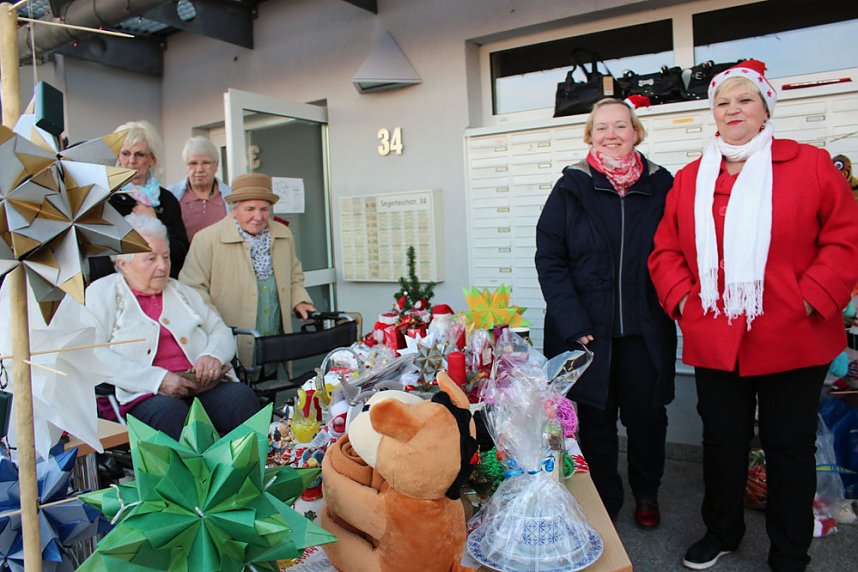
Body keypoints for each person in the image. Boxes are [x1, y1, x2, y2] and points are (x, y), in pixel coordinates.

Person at [648, 60, 858, 571]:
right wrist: (683, 303)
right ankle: (722, 530)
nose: (732, 109)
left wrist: (812, 296)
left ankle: (789, 549)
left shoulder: (808, 164)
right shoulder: (692, 177)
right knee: (722, 442)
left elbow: (844, 237)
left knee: (789, 447)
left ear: (765, 108)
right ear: (713, 114)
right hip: (716, 334)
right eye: (722, 102)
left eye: (744, 99)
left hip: (794, 332)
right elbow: (665, 250)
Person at [535, 97, 677, 528]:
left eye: (620, 126)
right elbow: (550, 259)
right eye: (602, 128)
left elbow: (680, 250)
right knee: (595, 422)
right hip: (586, 332)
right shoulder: (571, 187)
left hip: (645, 328)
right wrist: (574, 321)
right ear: (590, 136)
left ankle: (647, 494)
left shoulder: (662, 185)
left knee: (647, 418)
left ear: (636, 132)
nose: (611, 135)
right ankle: (605, 501)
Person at [82, 214, 260, 440]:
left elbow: (220, 329)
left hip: (198, 387)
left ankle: (251, 471)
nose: (162, 266)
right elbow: (92, 353)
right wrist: (157, 380)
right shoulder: (101, 294)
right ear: (123, 263)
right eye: (151, 259)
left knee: (240, 398)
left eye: (166, 257)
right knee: (171, 414)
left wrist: (211, 356)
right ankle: (197, 476)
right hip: (141, 393)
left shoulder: (181, 291)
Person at [180, 172, 316, 368]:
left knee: (272, 381)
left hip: (274, 335)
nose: (258, 216)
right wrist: (215, 323)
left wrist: (300, 300)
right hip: (232, 336)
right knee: (242, 388)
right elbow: (192, 289)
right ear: (234, 209)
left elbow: (294, 276)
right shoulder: (207, 239)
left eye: (264, 209)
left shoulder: (283, 234)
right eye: (249, 209)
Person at [89, 120, 189, 281]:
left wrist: (154, 222)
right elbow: (97, 257)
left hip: (160, 285)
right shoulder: (103, 199)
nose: (131, 160)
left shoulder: (167, 200)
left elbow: (181, 254)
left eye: (140, 154)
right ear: (118, 157)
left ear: (152, 160)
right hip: (117, 288)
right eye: (125, 153)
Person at [168, 136, 232, 240]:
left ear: (216, 165)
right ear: (186, 166)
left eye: (206, 163)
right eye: (193, 163)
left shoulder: (231, 196)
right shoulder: (170, 196)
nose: (199, 169)